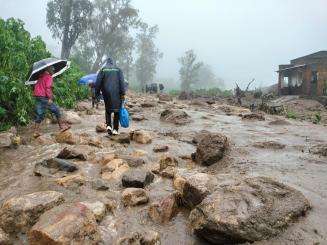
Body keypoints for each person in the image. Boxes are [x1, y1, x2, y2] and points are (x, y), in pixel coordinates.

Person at [33, 66, 70, 138]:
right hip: (44, 97)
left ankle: (35, 132)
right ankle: (62, 127)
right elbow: (47, 88)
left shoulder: (40, 76)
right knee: (56, 109)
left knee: (40, 113)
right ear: (48, 70)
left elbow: (39, 87)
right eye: (52, 69)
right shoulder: (48, 77)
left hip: (38, 96)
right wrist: (50, 98)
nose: (54, 70)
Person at [95, 57, 126, 136]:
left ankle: (108, 126)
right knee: (117, 111)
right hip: (117, 93)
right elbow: (122, 82)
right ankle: (115, 129)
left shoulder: (103, 70)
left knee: (108, 110)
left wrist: (97, 94)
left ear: (107, 63)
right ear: (113, 62)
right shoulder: (118, 69)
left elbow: (98, 82)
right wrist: (123, 93)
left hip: (106, 92)